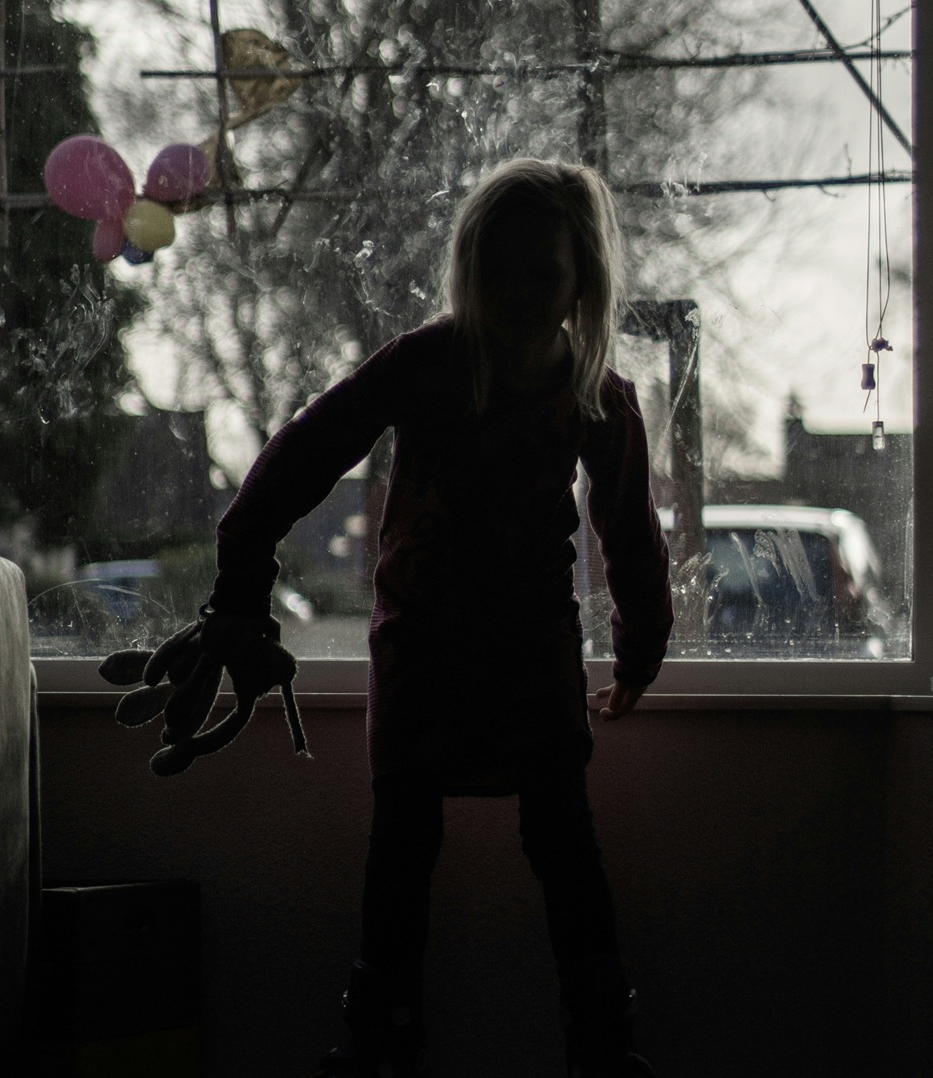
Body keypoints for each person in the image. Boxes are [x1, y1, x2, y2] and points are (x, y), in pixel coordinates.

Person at [201, 157, 673, 1078]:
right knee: (402, 851)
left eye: (544, 273)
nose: (522, 292)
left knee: (564, 846)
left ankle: (605, 1047)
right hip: (421, 654)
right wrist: (242, 565)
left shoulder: (599, 396)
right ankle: (378, 1044)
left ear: (584, 279)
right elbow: (307, 451)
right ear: (470, 270)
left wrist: (641, 652)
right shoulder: (426, 363)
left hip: (533, 658)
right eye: (501, 270)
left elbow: (629, 529)